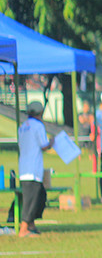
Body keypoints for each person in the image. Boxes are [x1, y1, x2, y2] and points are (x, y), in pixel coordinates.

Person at [16, 101, 52, 238]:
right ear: (40, 112)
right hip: (33, 168)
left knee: (40, 195)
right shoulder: (38, 126)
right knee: (30, 199)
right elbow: (44, 145)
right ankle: (24, 229)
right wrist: (52, 143)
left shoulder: (22, 126)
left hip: (24, 167)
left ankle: (31, 224)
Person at [78, 101, 98, 172]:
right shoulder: (80, 114)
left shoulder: (90, 114)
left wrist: (87, 119)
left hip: (88, 132)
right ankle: (79, 157)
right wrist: (88, 119)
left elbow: (92, 121)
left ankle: (91, 157)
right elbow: (82, 120)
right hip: (82, 132)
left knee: (90, 146)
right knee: (80, 146)